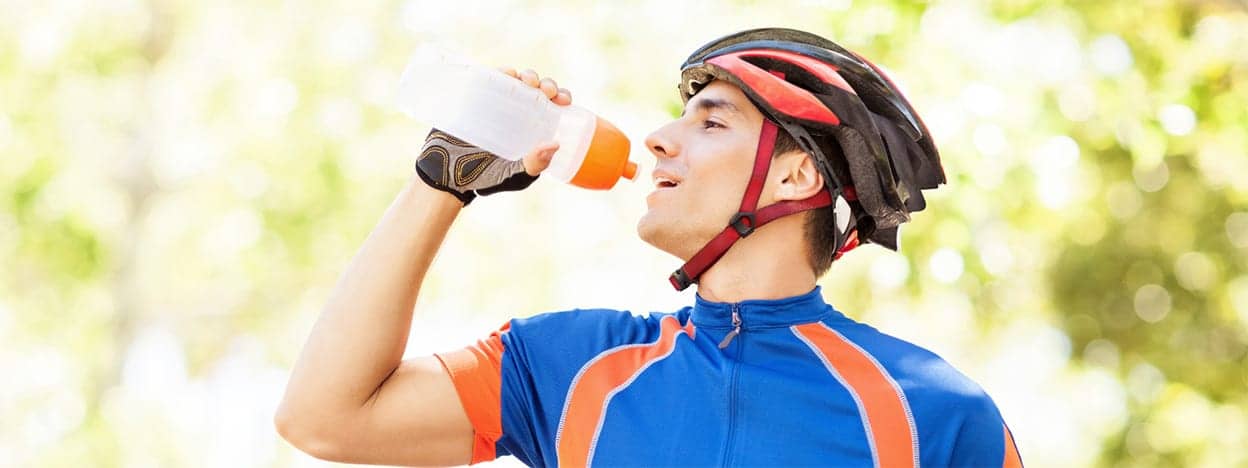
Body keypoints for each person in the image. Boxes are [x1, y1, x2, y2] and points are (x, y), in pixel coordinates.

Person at [275, 28, 1024, 467]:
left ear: (798, 174)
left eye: (711, 121)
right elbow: (322, 415)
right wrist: (442, 181)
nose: (660, 138)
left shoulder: (935, 412)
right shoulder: (567, 364)